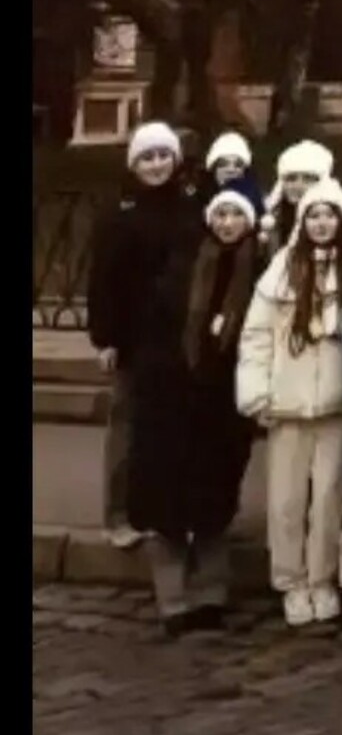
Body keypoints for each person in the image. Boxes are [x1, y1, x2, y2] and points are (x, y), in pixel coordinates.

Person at [237, 179, 342, 627]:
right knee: (286, 501)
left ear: (341, 220)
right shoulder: (279, 271)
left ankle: (323, 578)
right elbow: (256, 337)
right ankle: (290, 580)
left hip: (338, 403)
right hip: (288, 401)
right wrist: (256, 391)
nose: (321, 223)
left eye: (329, 214)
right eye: (313, 215)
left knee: (331, 499)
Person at [126, 186, 259, 635]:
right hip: (172, 399)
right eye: (219, 214)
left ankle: (210, 596)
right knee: (167, 508)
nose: (226, 223)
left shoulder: (257, 269)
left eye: (235, 215)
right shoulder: (184, 266)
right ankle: (173, 601)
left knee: (212, 506)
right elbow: (157, 329)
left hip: (224, 403)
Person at [87, 120, 201, 550]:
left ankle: (161, 509)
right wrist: (105, 338)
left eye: (163, 156)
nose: (156, 165)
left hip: (179, 337)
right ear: (134, 164)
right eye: (147, 158)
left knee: (171, 428)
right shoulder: (119, 214)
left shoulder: (190, 207)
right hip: (133, 339)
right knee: (128, 427)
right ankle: (117, 514)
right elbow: (103, 280)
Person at [260, 139, 335, 260]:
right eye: (291, 178)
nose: (298, 186)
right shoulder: (271, 221)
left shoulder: (337, 220)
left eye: (308, 179)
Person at [202, 132, 264, 218]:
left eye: (238, 165)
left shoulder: (256, 205)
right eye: (223, 164)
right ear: (213, 169)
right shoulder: (198, 201)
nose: (231, 170)